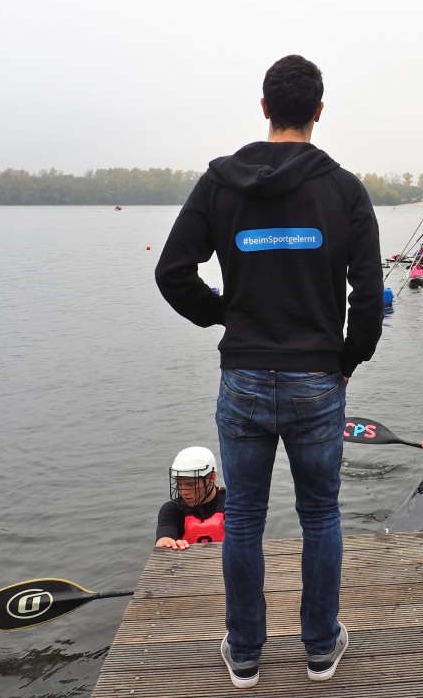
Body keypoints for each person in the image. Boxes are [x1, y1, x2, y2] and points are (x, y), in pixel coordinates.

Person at [154, 54, 383, 689]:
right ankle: (319, 649)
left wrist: (225, 317)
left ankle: (246, 653)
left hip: (245, 377)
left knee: (246, 518)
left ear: (264, 108)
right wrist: (347, 359)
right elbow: (368, 296)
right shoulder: (343, 189)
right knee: (321, 516)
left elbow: (171, 273)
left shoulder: (220, 184)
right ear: (317, 110)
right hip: (317, 377)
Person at [155, 447, 226, 550]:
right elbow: (164, 539)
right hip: (187, 565)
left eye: (191, 484)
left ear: (212, 478)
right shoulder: (171, 509)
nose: (184, 492)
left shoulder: (232, 505)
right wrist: (167, 544)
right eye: (179, 484)